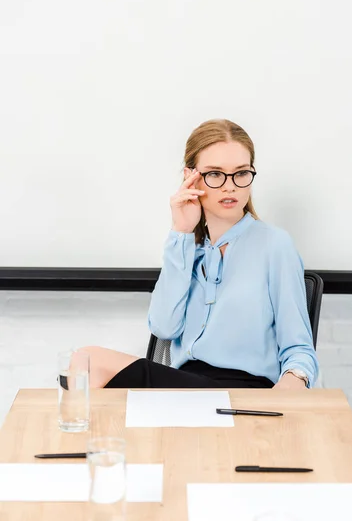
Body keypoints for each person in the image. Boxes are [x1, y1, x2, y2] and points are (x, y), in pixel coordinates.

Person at [82, 119, 319, 390]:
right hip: (187, 390)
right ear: (191, 178)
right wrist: (181, 232)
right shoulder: (187, 248)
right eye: (215, 174)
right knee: (84, 364)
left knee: (87, 360)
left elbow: (299, 349)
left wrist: (293, 382)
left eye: (240, 173)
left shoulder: (274, 244)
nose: (230, 186)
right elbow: (164, 328)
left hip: (245, 392)